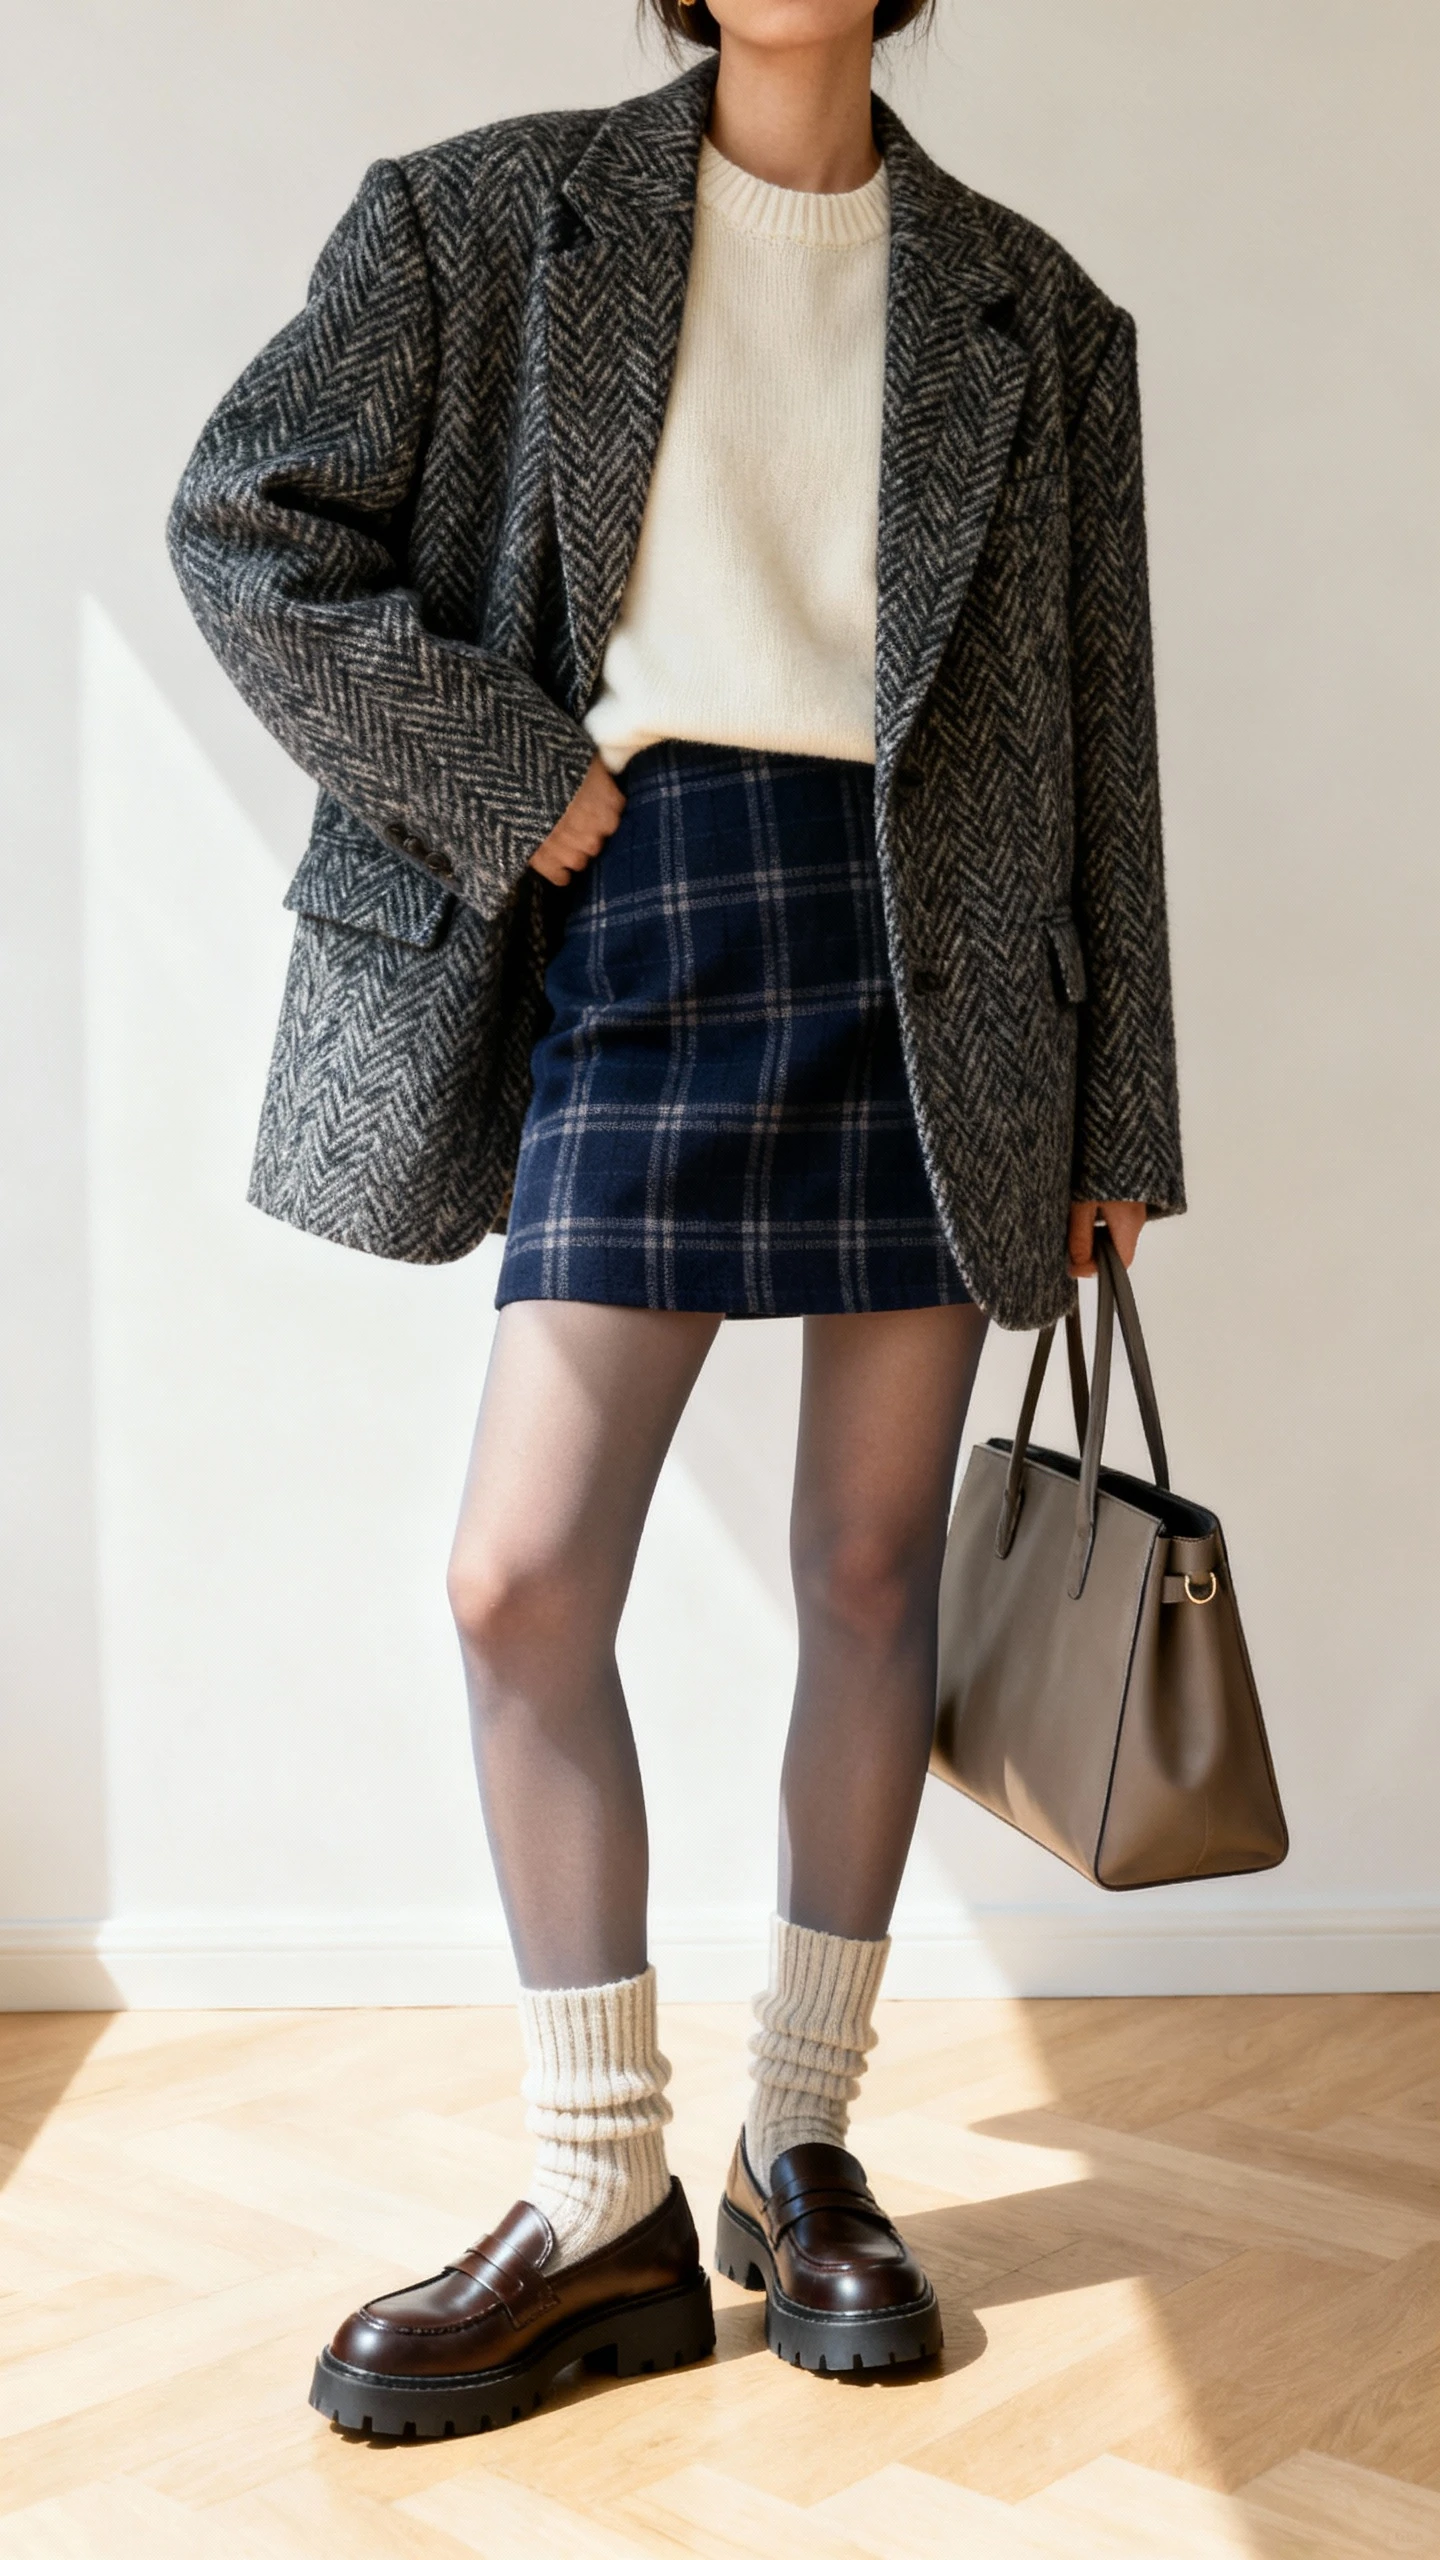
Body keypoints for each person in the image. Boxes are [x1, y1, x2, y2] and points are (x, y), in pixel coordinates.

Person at [168, 0, 1183, 2438]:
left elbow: (1107, 727)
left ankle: (799, 2141)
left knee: (865, 1576)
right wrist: (511, 778)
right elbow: (246, 519)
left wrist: (1123, 1110)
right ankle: (594, 2186)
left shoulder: (1038, 313)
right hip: (639, 916)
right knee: (519, 1573)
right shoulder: (490, 213)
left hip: (942, 964)